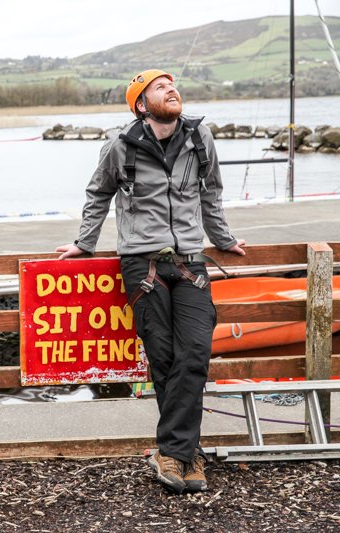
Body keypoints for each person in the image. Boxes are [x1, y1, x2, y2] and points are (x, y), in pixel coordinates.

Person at [55, 70, 246, 494]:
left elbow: (211, 192)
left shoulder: (200, 138)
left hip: (192, 264)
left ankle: (173, 452)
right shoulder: (119, 147)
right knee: (162, 358)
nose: (171, 89)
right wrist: (84, 244)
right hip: (143, 268)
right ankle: (186, 454)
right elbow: (98, 194)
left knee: (194, 353)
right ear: (141, 104)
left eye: (172, 84)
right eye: (159, 87)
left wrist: (224, 239)